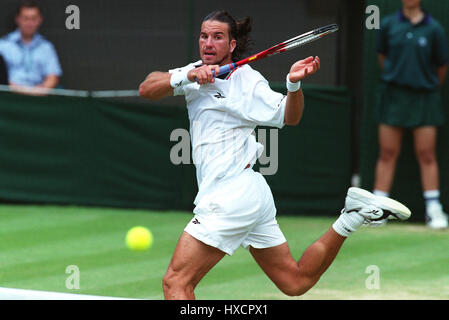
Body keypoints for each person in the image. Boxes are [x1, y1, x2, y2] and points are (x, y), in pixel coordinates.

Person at [139, 10, 411, 300]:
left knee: (176, 283)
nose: (208, 43)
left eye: (218, 37)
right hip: (251, 192)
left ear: (232, 46)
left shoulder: (248, 83)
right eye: (204, 36)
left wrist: (294, 85)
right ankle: (352, 217)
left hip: (231, 195)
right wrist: (189, 75)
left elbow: (289, 116)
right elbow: (148, 88)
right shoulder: (195, 72)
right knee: (295, 281)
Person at [373, 0, 449, 229]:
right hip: (393, 96)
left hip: (424, 97)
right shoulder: (388, 25)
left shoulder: (434, 29)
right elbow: (382, 58)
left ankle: (434, 209)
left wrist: (425, 84)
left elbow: (441, 66)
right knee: (387, 152)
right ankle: (378, 209)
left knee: (427, 154)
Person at [0, 0, 62, 94]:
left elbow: (53, 77)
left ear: (40, 20)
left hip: (40, 98)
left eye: (33, 19)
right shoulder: (3, 45)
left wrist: (37, 92)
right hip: (8, 97)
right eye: (25, 18)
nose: (29, 23)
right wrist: (15, 89)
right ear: (18, 19)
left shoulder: (46, 47)